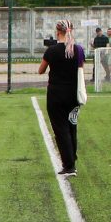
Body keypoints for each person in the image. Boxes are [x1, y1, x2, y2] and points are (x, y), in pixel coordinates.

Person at [42, 19, 85, 176]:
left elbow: (41, 70)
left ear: (57, 31)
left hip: (56, 94)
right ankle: (72, 157)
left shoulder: (51, 51)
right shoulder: (78, 50)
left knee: (61, 129)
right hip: (73, 95)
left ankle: (69, 164)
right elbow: (80, 70)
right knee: (72, 126)